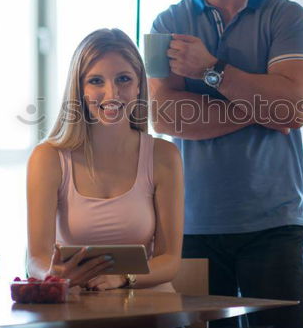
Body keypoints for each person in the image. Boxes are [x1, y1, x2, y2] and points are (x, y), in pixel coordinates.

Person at [148, 0, 303, 328]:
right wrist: (263, 106)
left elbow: (294, 110)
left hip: (274, 225)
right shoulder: (163, 26)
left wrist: (210, 70)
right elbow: (162, 116)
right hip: (191, 228)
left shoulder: (289, 17)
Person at [26, 28, 184, 291]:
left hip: (148, 305)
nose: (112, 94)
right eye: (96, 81)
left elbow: (169, 260)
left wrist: (123, 278)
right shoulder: (48, 158)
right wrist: (53, 275)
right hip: (76, 306)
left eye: (123, 79)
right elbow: (36, 259)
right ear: (79, 89)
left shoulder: (163, 155)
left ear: (138, 86)